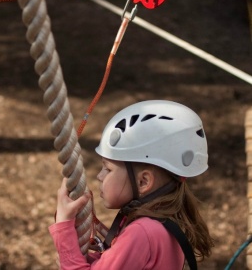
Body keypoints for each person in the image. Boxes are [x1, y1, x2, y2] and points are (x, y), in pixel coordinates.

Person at [49, 100, 214, 269]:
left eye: (108, 169)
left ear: (144, 182)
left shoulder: (141, 233)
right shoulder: (164, 223)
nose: (99, 176)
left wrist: (64, 225)